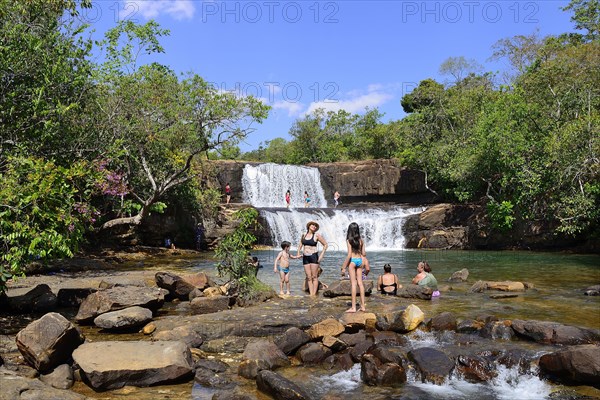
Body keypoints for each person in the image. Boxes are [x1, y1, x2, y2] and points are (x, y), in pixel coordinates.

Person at [341, 222, 367, 312]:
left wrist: (344, 267)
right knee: (360, 283)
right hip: (360, 261)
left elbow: (349, 255)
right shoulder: (361, 241)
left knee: (353, 284)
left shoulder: (349, 240)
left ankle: (353, 307)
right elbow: (364, 254)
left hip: (352, 262)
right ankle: (363, 306)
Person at [297, 221, 328, 296]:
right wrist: (298, 253)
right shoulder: (303, 235)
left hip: (313, 256)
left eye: (315, 226)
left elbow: (325, 245)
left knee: (314, 276)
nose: (314, 226)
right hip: (305, 257)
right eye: (313, 225)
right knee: (309, 277)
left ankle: (314, 294)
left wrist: (321, 255)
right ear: (309, 226)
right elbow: (300, 245)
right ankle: (311, 294)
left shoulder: (317, 235)